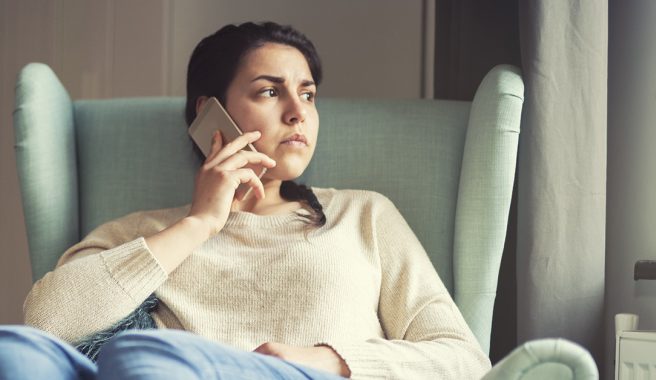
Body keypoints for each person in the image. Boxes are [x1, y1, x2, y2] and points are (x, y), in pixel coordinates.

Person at [0, 22, 491, 380]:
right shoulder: (143, 232)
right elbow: (46, 321)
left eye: (308, 94)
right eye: (269, 91)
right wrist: (199, 224)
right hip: (160, 372)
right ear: (209, 113)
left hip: (262, 375)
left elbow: (464, 359)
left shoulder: (362, 215)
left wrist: (332, 359)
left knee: (143, 361)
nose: (298, 112)